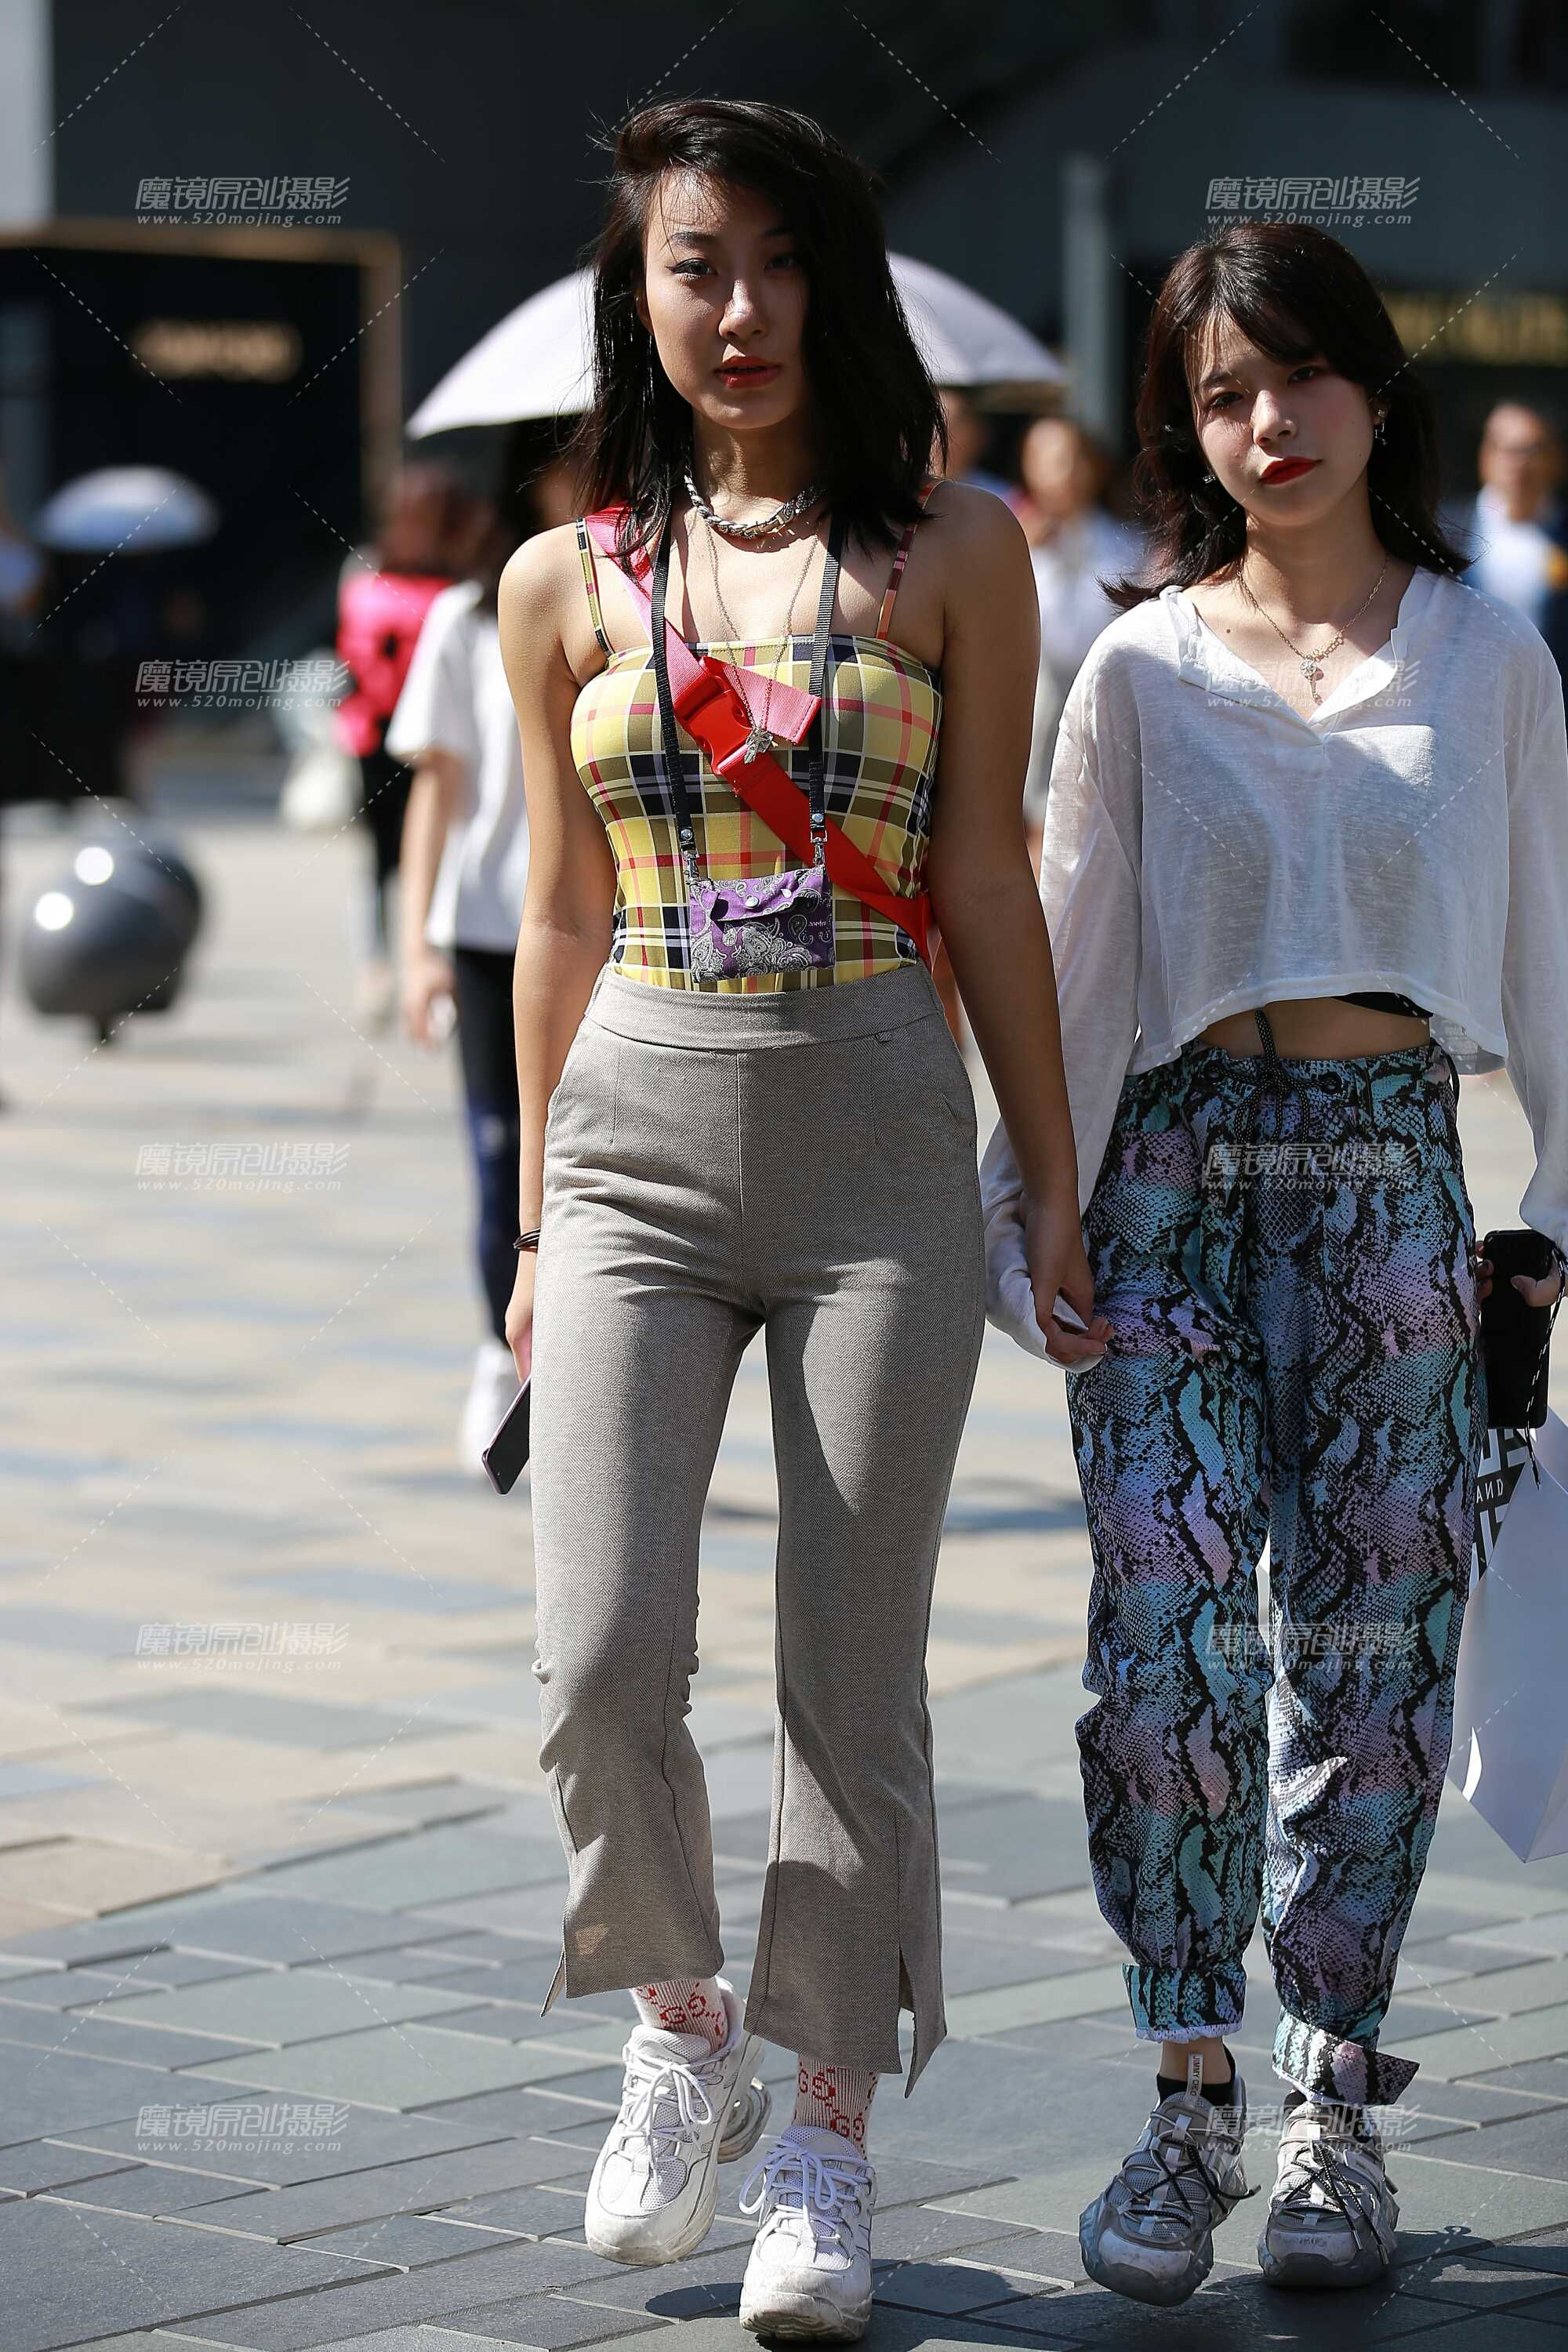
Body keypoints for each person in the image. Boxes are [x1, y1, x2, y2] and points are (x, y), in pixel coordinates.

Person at [496, 96, 1104, 2343]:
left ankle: (824, 2131)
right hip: (632, 1138)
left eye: (774, 262)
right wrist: (536, 1222)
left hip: (873, 1136)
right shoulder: (559, 581)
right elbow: (556, 917)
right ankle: (686, 2025)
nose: (737, 307)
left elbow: (988, 881)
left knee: (849, 1676)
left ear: (833, 288)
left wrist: (1047, 1177)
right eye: (695, 264)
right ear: (639, 296)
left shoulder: (952, 549)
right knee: (596, 1653)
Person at [982, 220, 1568, 2306]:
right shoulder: (1140, 666)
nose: (1266, 423)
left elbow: (1554, 950)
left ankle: (1333, 2107)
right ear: (1187, 428)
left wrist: (1552, 1206)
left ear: (1375, 390)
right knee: (1164, 1643)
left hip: (1391, 1178)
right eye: (1221, 393)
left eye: (1298, 375)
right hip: (1169, 1178)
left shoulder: (1487, 657)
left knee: (1374, 1653)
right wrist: (1035, 1201)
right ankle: (1184, 2094)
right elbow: (1073, 958)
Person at [387, 443, 578, 1468]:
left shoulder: (648, 602)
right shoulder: (465, 619)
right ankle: (498, 1354)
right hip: (487, 927)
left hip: (611, 929)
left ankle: (586, 1374)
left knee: (594, 1162)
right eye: (567, 459)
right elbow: (437, 787)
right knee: (503, 1151)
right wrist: (414, 944)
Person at [334, 461, 480, 1027]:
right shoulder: (454, 589)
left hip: (403, 739)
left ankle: (401, 962)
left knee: (402, 856)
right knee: (405, 853)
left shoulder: (376, 583)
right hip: (407, 737)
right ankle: (400, 961)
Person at [1014, 416, 1146, 869]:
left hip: (1100, 697)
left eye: (1070, 460)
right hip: (1033, 701)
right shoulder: (1010, 539)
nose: (1060, 473)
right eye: (1045, 459)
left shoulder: (1124, 543)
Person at [1443, 400, 1568, 676]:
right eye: (1504, 449)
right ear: (1484, 455)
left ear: (1556, 458)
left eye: (1531, 450)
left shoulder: (1562, 533)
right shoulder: (1444, 529)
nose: (1517, 463)